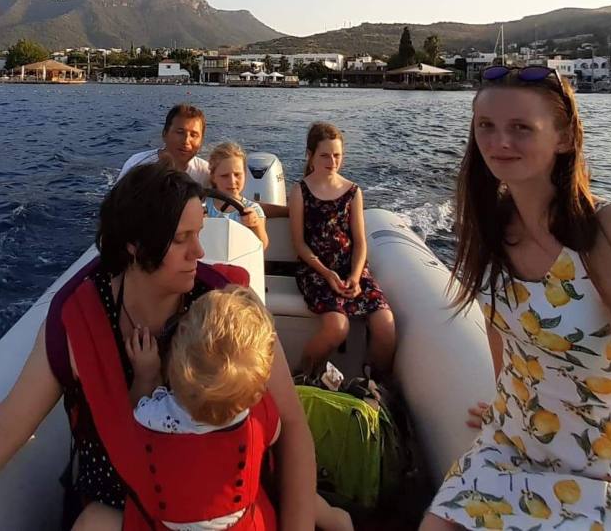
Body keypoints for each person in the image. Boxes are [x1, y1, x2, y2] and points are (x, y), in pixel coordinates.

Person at [0, 164, 317, 531]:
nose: (199, 251)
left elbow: (291, 424)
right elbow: (8, 425)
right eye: (181, 239)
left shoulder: (227, 310)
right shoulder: (80, 321)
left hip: (212, 506)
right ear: (135, 245)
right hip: (120, 506)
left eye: (199, 233)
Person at [420, 66, 611, 531]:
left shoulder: (609, 236)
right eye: (486, 126)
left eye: (521, 128)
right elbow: (504, 330)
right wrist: (503, 402)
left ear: (563, 138)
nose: (499, 142)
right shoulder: (491, 226)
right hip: (513, 445)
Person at [76, 286, 353, 531]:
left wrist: (146, 374)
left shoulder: (153, 420)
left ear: (174, 364)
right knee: (280, 483)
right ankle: (336, 520)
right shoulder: (259, 417)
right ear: (256, 391)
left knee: (93, 519)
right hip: (245, 525)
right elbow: (280, 433)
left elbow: (133, 415)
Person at [288, 122, 395, 379]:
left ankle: (373, 384)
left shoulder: (353, 192)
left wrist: (356, 277)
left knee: (386, 327)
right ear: (310, 155)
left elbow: (360, 242)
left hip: (352, 270)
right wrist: (327, 274)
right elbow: (299, 244)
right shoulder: (300, 192)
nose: (332, 161)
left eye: (337, 155)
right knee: (337, 327)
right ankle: (301, 376)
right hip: (316, 272)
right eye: (325, 155)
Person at [117, 103, 210, 186]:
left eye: (194, 135)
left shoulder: (207, 173)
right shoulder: (136, 165)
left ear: (201, 141)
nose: (186, 141)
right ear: (165, 134)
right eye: (180, 132)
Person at [204, 141, 269, 251]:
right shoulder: (203, 205)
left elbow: (262, 246)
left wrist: (256, 225)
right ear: (213, 177)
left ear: (245, 174)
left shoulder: (253, 209)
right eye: (225, 176)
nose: (232, 181)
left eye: (237, 174)